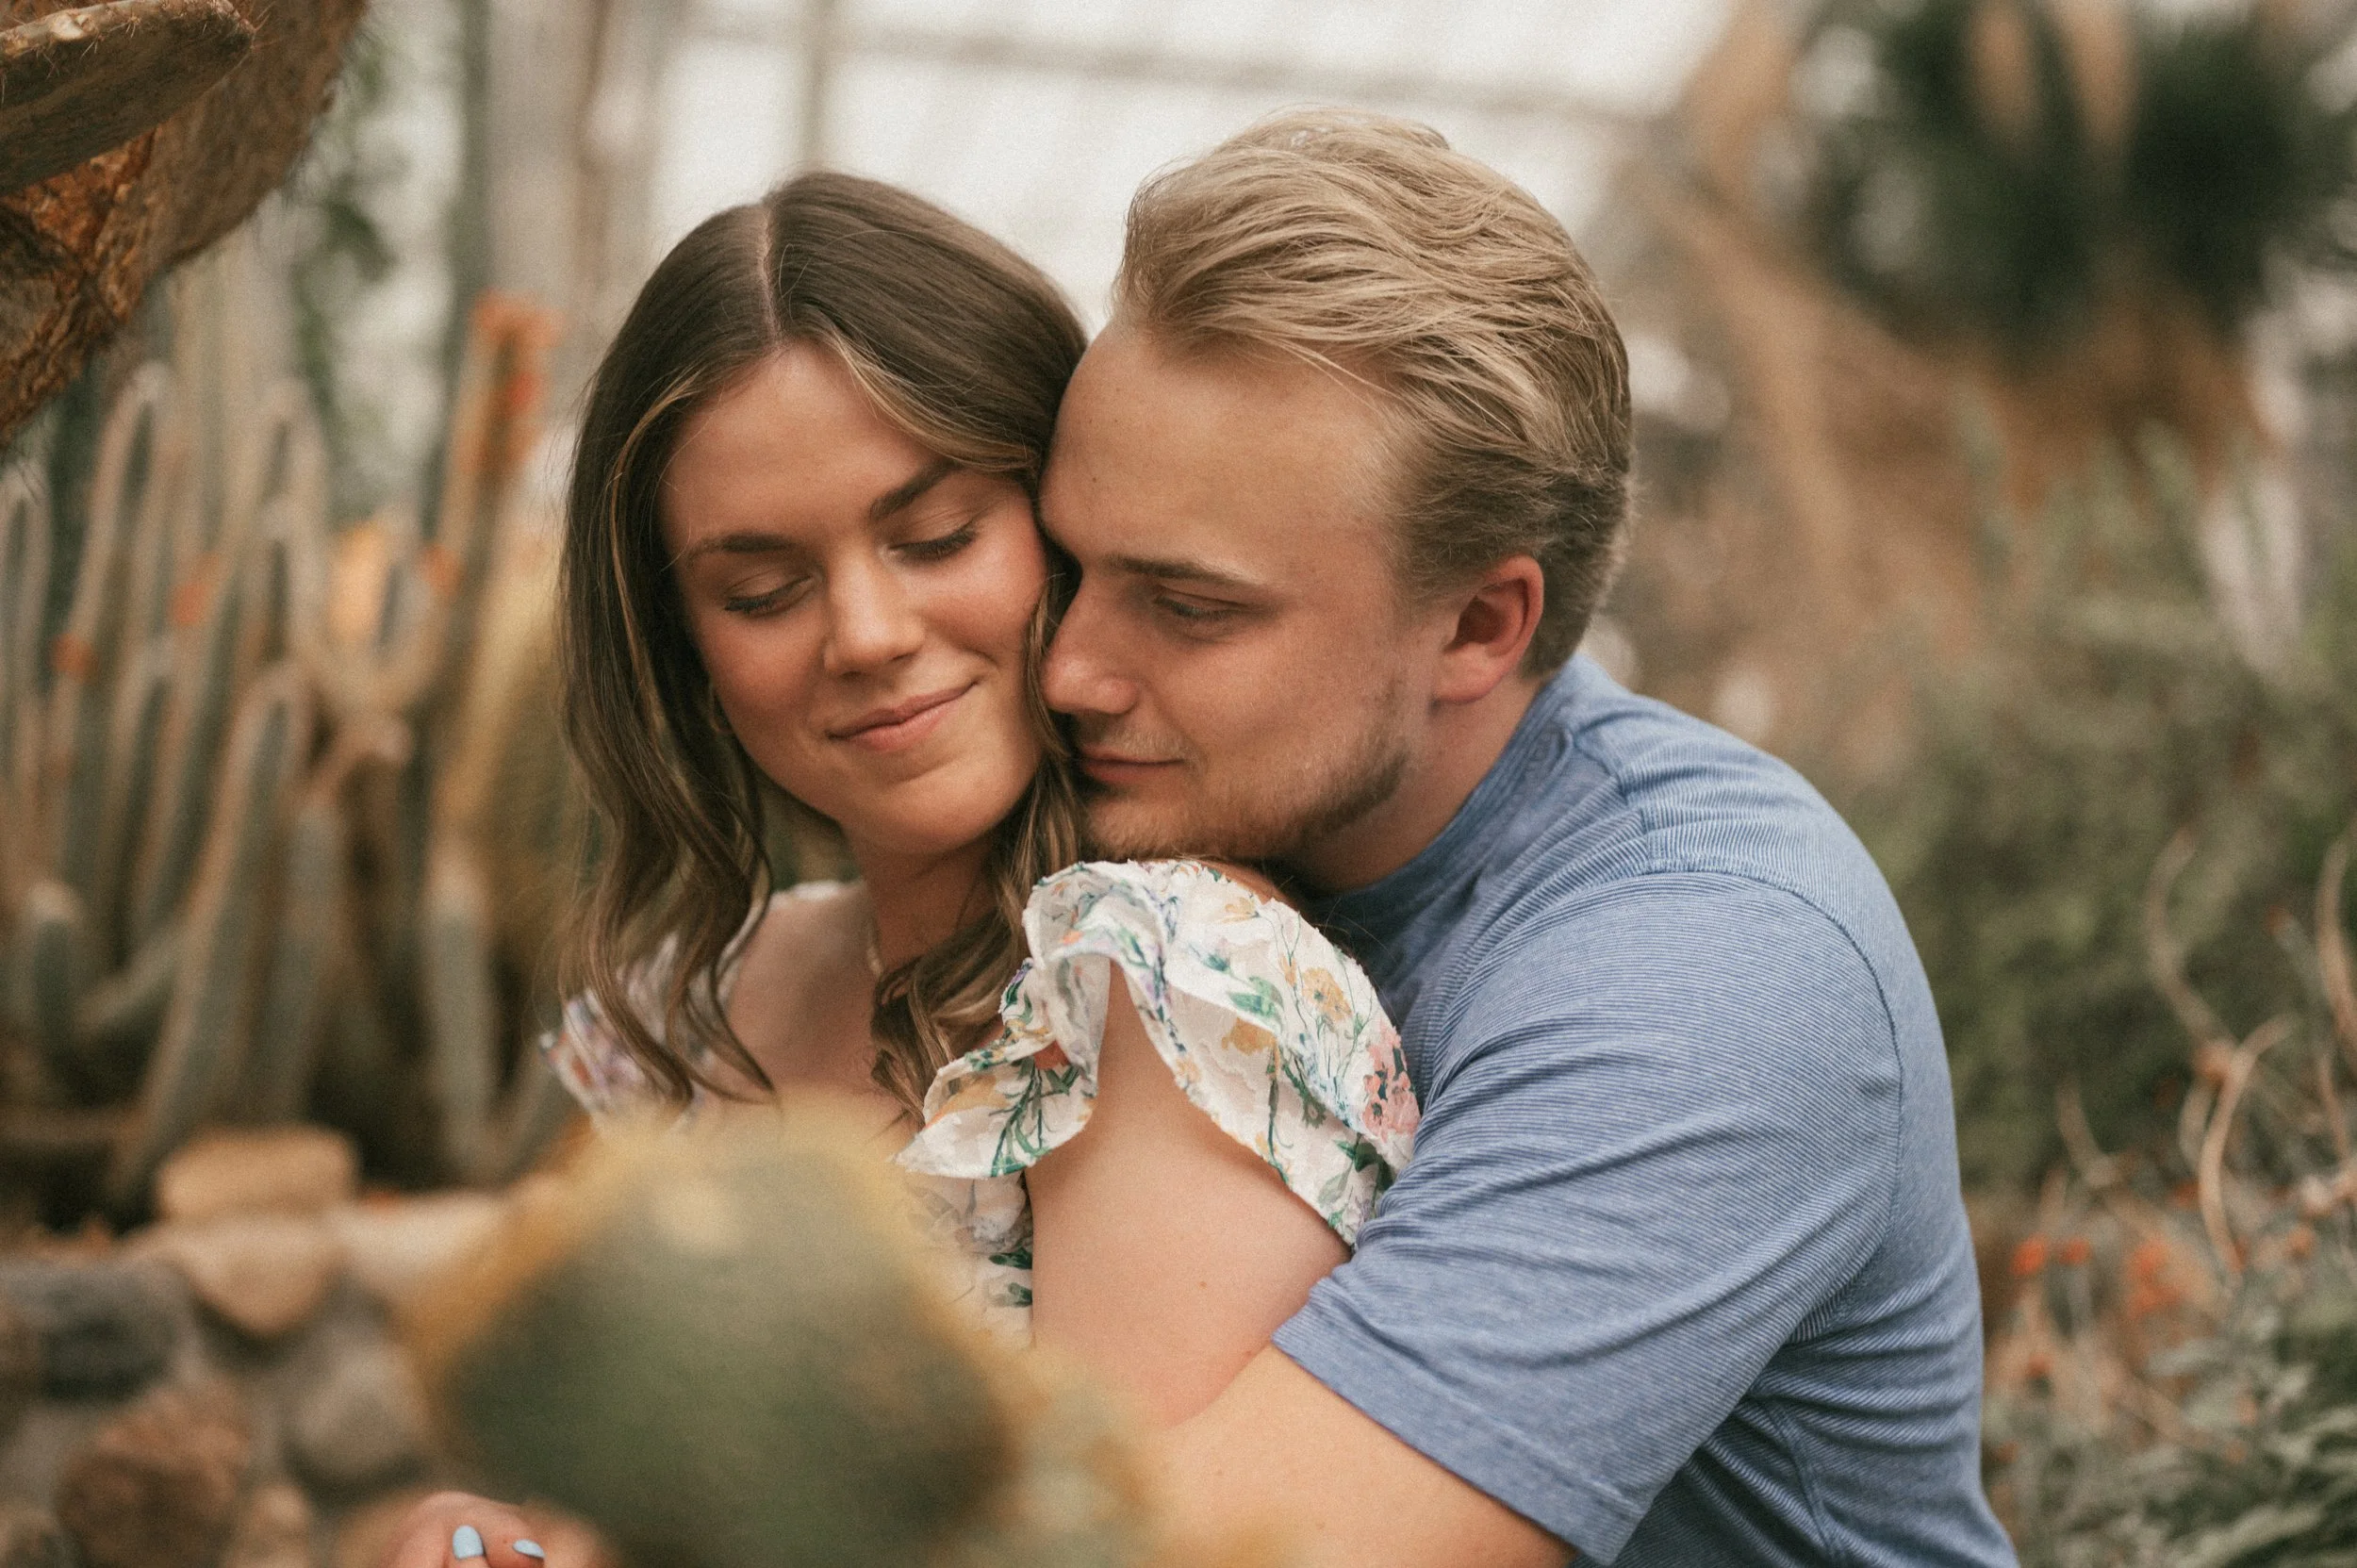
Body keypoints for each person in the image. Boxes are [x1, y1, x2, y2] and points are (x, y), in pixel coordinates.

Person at [381, 172, 1416, 1568]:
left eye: (935, 537)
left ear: (1068, 516)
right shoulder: (720, 989)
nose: (866, 632)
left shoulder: (1169, 987)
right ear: (680, 639)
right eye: (761, 589)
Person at [1034, 110, 2019, 1566]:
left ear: (1482, 626)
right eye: (1069, 564)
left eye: (1190, 607)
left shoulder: (1716, 965)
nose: (1069, 669)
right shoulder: (1198, 809)